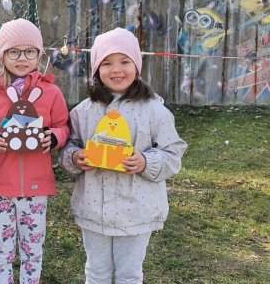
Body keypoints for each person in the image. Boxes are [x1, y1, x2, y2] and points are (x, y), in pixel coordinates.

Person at [58, 28, 187, 283]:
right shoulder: (83, 112)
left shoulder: (154, 111)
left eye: (124, 62)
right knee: (96, 272)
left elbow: (173, 153)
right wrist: (75, 158)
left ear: (136, 66)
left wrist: (145, 162)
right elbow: (67, 146)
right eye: (107, 63)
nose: (116, 70)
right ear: (96, 69)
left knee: (129, 274)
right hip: (93, 209)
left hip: (136, 211)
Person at [0, 19, 70, 284]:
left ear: (39, 55)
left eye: (30, 52)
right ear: (2, 55)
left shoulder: (51, 92)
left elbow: (63, 125)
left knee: (32, 250)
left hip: (36, 188)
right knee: (2, 251)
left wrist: (55, 138)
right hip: (0, 187)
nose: (22, 58)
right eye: (14, 52)